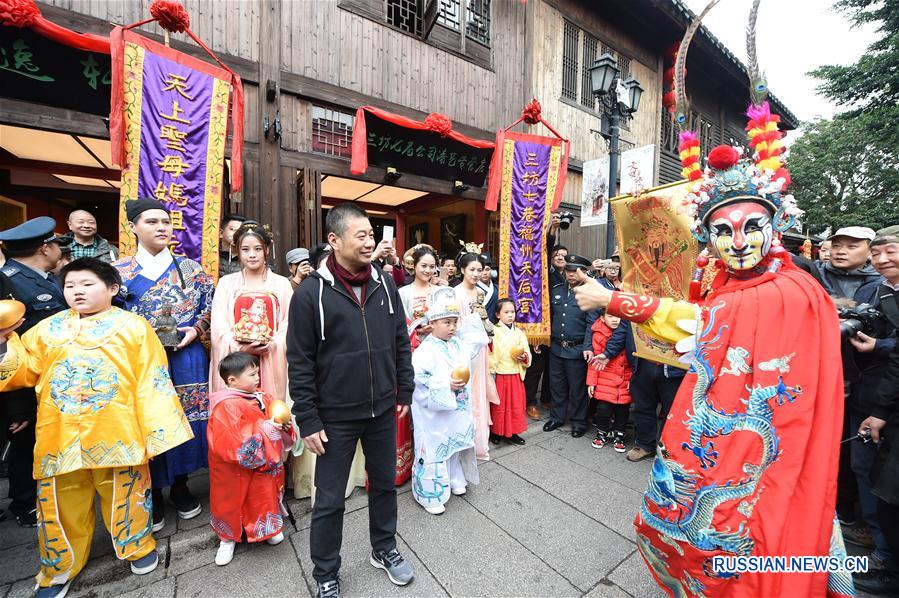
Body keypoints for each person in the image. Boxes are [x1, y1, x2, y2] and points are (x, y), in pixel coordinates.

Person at [572, 129, 850, 594]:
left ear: (775, 226)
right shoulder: (736, 283)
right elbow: (701, 312)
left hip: (768, 440)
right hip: (725, 425)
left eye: (751, 227)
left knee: (754, 535)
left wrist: (613, 299)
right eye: (722, 231)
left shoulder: (788, 291)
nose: (737, 242)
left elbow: (704, 320)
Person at [0, 257, 193, 597]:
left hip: (117, 428)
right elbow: (22, 371)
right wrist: (4, 343)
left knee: (126, 493)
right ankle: (59, 567)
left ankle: (136, 545)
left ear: (113, 289)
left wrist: (156, 431)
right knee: (60, 503)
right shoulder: (46, 329)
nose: (78, 291)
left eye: (87, 284)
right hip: (59, 433)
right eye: (71, 286)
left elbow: (153, 380)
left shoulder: (133, 327)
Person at [287, 203, 414, 597]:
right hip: (334, 417)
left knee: (384, 486)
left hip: (382, 408)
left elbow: (400, 340)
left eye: (371, 235)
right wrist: (307, 418)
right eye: (360, 235)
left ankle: (384, 548)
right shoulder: (311, 293)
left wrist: (404, 389)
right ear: (334, 240)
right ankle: (326, 571)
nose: (369, 241)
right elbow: (300, 361)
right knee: (329, 500)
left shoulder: (384, 283)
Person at [113, 198, 213, 531]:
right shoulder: (119, 272)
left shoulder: (191, 269)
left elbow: (209, 308)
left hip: (186, 354)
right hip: (140, 359)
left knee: (185, 419)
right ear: (134, 227)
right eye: (152, 222)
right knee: (149, 421)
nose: (161, 228)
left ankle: (182, 484)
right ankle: (153, 490)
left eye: (166, 222)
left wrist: (196, 329)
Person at [0, 217, 68, 528]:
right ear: (45, 247)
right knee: (25, 442)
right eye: (56, 244)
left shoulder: (42, 277)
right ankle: (25, 503)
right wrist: (18, 405)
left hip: (52, 376)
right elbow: (7, 349)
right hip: (26, 383)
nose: (58, 250)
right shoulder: (9, 283)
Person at [208, 352, 296, 566]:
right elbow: (232, 440)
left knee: (263, 494)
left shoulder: (261, 396)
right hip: (233, 469)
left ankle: (268, 528)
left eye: (257, 373)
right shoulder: (225, 406)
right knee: (231, 500)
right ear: (232, 380)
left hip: (262, 462)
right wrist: (267, 428)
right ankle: (227, 539)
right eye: (252, 374)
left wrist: (283, 425)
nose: (258, 378)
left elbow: (272, 420)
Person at [409, 287, 487, 514]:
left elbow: (477, 339)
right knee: (435, 447)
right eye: (447, 322)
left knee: (454, 444)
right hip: (434, 411)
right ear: (432, 323)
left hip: (457, 407)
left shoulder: (457, 343)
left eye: (455, 322)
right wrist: (446, 385)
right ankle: (430, 494)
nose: (453, 327)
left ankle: (455, 478)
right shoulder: (424, 351)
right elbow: (419, 380)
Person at [854, 233, 899, 595]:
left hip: (890, 403)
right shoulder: (869, 291)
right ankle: (882, 551)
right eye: (878, 253)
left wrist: (881, 345)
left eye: (891, 251)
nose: (883, 259)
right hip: (869, 395)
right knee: (867, 471)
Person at [597, 318, 685, 461]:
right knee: (643, 406)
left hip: (674, 365)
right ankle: (645, 445)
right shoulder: (638, 297)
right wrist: (608, 353)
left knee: (672, 411)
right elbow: (623, 329)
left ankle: (667, 450)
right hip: (643, 362)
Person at [396, 245, 440, 484]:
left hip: (434, 350)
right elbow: (399, 325)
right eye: (424, 265)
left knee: (431, 403)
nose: (428, 270)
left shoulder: (440, 292)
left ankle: (430, 453)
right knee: (411, 402)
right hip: (412, 352)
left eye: (432, 266)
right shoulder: (404, 292)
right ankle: (411, 452)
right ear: (414, 266)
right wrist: (415, 329)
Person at [543, 254, 601, 438]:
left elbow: (591, 324)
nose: (570, 274)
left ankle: (578, 421)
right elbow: (549, 317)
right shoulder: (557, 289)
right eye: (568, 271)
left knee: (577, 389)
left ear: (583, 272)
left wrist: (587, 347)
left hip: (577, 349)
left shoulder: (589, 294)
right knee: (557, 386)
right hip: (556, 347)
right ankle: (557, 417)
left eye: (574, 271)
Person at [453, 249, 500, 460]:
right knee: (466, 392)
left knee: (479, 391)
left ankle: (479, 441)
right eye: (471, 269)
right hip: (463, 348)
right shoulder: (455, 293)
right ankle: (463, 438)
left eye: (479, 270)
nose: (475, 273)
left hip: (479, 349)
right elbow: (455, 324)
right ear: (462, 269)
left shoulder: (480, 292)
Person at [587, 312, 632, 452]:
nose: (615, 319)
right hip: (605, 379)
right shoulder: (598, 334)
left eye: (617, 316)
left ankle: (619, 434)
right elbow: (595, 362)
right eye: (610, 316)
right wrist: (592, 382)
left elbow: (634, 361)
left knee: (623, 410)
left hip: (625, 379)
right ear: (602, 318)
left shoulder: (630, 333)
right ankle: (602, 432)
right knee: (603, 410)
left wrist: (633, 379)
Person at [489, 298, 531, 446]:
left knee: (515, 405)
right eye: (506, 312)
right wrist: (490, 372)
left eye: (512, 312)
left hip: (515, 373)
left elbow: (526, 351)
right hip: (500, 374)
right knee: (499, 406)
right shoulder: (494, 331)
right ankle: (496, 432)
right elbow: (491, 354)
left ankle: (513, 432)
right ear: (498, 315)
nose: (510, 315)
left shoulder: (519, 333)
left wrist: (524, 357)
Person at [219, 213, 247, 277]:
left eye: (240, 230)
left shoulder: (249, 258)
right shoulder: (211, 256)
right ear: (221, 233)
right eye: (232, 229)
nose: (237, 233)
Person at [477, 255, 498, 322]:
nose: (485, 273)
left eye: (487, 269)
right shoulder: (473, 288)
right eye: (481, 270)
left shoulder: (497, 288)